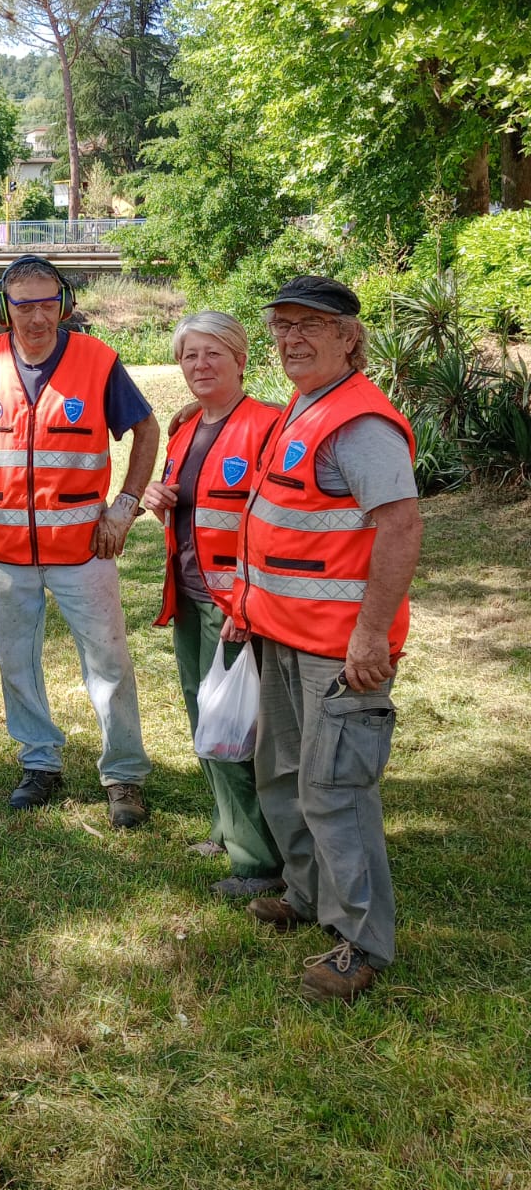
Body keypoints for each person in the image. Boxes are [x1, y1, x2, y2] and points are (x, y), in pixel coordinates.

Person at [225, 275, 421, 1003]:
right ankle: (308, 896)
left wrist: (372, 634)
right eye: (280, 326)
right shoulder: (305, 407)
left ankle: (362, 942)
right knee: (283, 775)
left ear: (348, 336)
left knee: (337, 790)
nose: (290, 339)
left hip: (341, 651)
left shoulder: (360, 424)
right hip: (281, 634)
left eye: (309, 325)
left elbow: (400, 526)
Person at [0, 255, 159, 823]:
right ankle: (40, 763)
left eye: (48, 301)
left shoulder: (98, 362)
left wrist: (124, 507)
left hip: (83, 548)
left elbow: (145, 429)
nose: (37, 316)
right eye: (23, 304)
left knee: (108, 661)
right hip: (5, 552)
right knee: (15, 660)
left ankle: (123, 776)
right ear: (5, 308)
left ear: (65, 303)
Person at [143, 312, 284, 896]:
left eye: (213, 354)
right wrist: (159, 497)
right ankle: (227, 827)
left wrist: (248, 603)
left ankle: (258, 864)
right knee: (207, 720)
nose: (200, 366)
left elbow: (275, 526)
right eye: (190, 356)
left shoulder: (268, 427)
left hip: (235, 607)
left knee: (235, 729)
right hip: (190, 597)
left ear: (241, 359)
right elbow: (195, 506)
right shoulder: (186, 430)